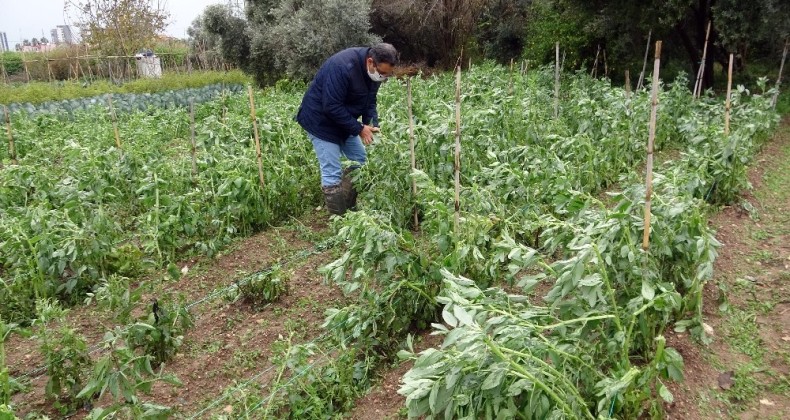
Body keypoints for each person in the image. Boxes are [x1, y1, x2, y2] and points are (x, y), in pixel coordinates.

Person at [296, 43, 398, 215]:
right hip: (320, 121)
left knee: (360, 161)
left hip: (343, 120)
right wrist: (359, 128)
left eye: (388, 75)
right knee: (332, 172)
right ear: (370, 62)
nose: (384, 77)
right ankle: (339, 220)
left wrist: (372, 124)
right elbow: (331, 106)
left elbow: (370, 101)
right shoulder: (342, 67)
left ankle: (349, 209)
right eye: (382, 73)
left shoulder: (374, 74)